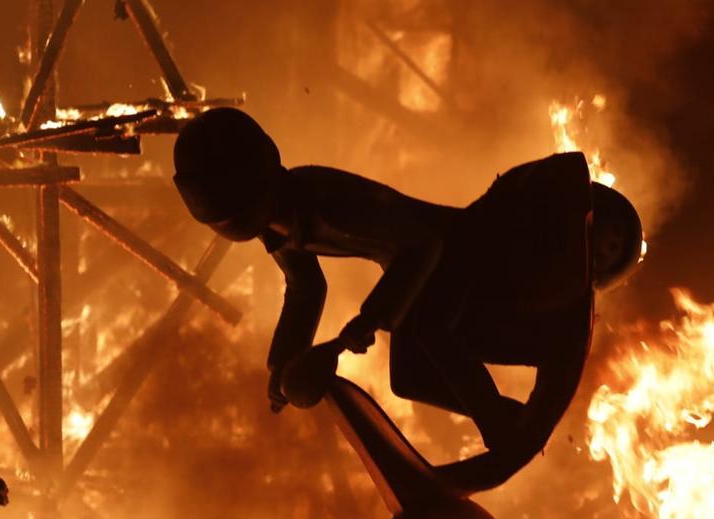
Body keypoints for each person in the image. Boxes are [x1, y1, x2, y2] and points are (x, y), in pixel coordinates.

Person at [173, 109, 644, 472]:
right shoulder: (278, 220)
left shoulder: (325, 203)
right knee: (408, 377)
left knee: (432, 329)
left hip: (460, 254)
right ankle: (509, 418)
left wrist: (372, 318)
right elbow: (305, 287)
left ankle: (502, 428)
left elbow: (424, 244)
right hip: (422, 272)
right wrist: (281, 364)